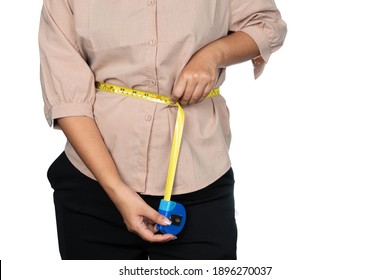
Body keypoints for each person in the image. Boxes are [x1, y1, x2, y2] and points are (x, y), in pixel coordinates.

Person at [39, 0, 287, 260]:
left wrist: (213, 54)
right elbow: (67, 97)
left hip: (199, 178)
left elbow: (267, 24)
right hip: (93, 185)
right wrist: (117, 191)